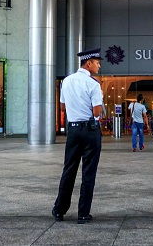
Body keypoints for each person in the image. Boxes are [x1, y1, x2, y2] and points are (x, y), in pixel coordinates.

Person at [52, 48, 104, 224]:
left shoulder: (66, 81)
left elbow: (63, 107)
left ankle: (59, 210)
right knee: (88, 172)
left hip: (73, 131)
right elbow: (97, 111)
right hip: (90, 130)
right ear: (88, 63)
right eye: (97, 62)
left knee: (69, 169)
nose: (99, 65)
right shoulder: (93, 84)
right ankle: (83, 213)